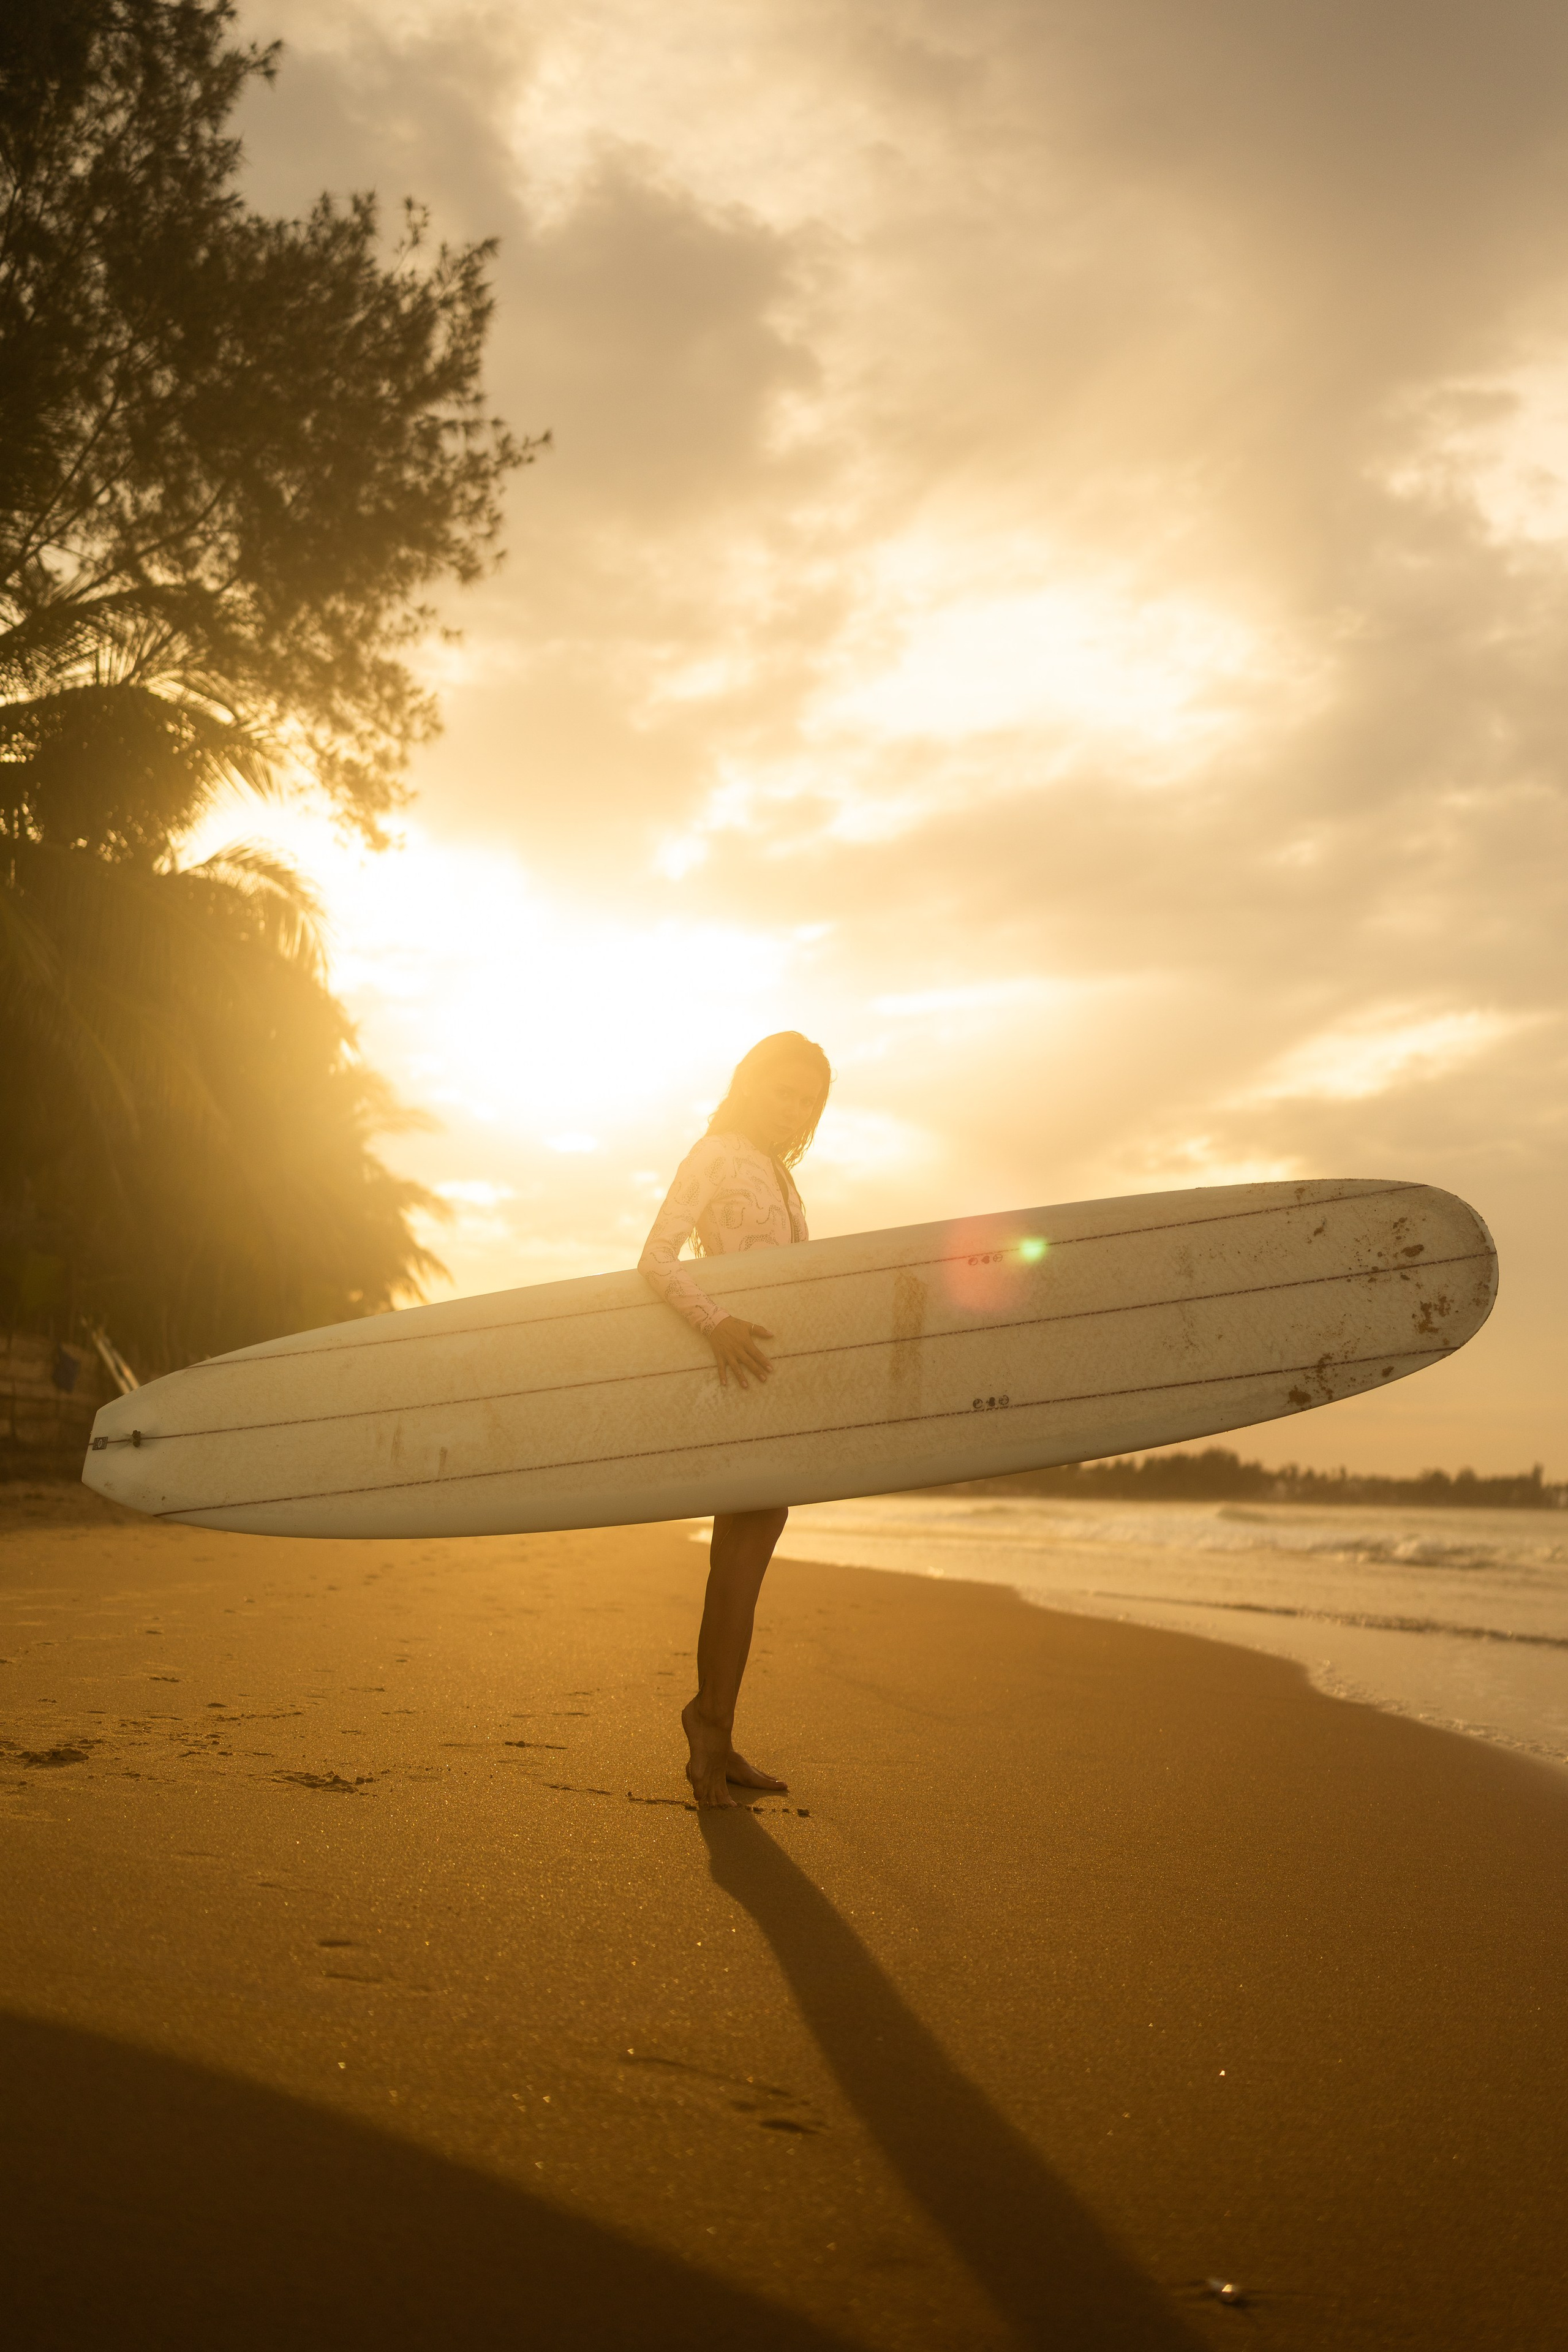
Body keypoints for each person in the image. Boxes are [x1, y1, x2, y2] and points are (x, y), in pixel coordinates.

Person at [639, 1031, 832, 1808]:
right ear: (751, 1086)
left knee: (745, 1565)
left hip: (773, 1385)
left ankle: (715, 1723)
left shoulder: (784, 1180)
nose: (794, 1109)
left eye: (809, 1100)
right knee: (738, 1566)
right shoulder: (715, 1152)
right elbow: (655, 1258)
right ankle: (707, 1727)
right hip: (737, 1377)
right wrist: (714, 1321)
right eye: (783, 1091)